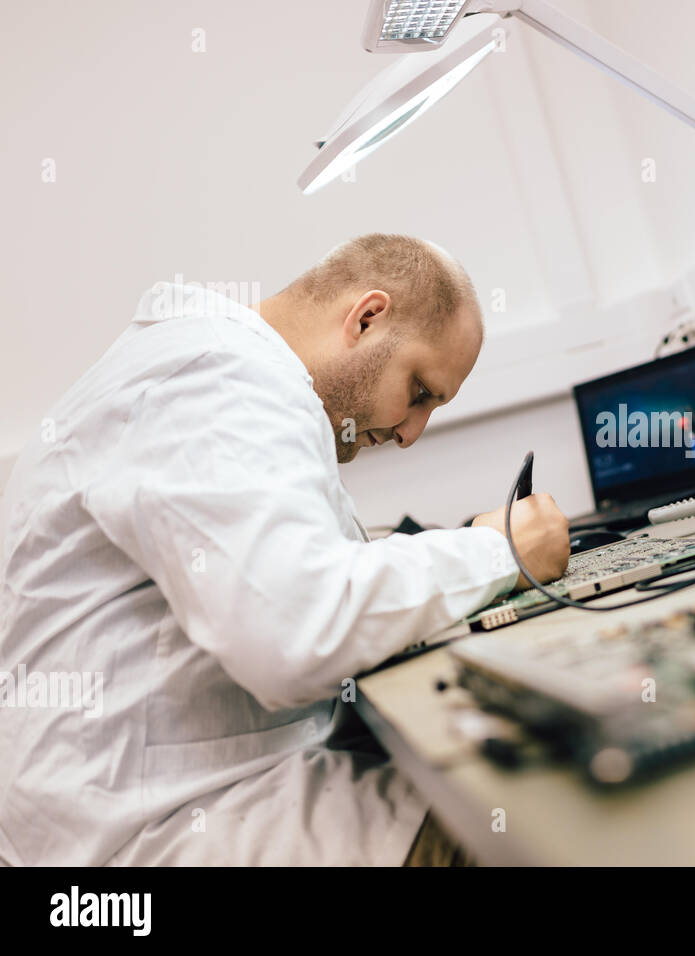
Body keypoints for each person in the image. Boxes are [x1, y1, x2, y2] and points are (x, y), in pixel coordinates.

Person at [0, 233, 569, 865]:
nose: (412, 433)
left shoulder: (223, 372)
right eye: (418, 393)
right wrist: (496, 550)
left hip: (167, 802)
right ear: (367, 317)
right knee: (534, 814)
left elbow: (293, 579)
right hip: (152, 840)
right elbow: (295, 628)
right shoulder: (215, 378)